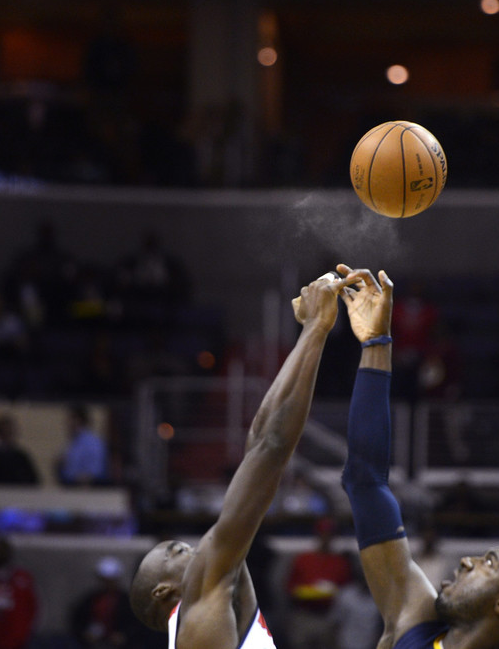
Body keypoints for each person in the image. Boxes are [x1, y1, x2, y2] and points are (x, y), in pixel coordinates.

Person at [332, 264, 499, 649]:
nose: (468, 561)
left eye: (489, 563)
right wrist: (376, 343)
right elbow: (365, 479)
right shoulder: (415, 619)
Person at [128, 270, 355, 648]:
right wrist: (317, 328)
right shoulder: (200, 595)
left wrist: (306, 336)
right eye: (173, 551)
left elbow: (259, 440)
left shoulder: (219, 605)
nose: (190, 546)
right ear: (163, 593)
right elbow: (272, 447)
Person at [285, 518, 352, 649]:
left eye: (330, 535)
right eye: (323, 534)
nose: (326, 538)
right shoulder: (304, 559)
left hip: (329, 616)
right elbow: (290, 588)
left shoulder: (340, 562)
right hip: (305, 614)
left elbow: (347, 593)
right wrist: (302, 592)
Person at [70, 557, 138, 649]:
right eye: (105, 580)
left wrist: (124, 635)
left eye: (111, 580)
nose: (108, 583)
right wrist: (85, 634)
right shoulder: (90, 600)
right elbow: (77, 620)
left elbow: (135, 624)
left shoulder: (127, 602)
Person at [329, 562, 383, 649]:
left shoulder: (380, 599)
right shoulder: (346, 596)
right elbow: (335, 623)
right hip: (346, 644)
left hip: (369, 645)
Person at [0, 415, 40, 486]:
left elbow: (33, 480)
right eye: (3, 432)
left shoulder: (21, 457)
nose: (7, 435)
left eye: (9, 432)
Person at [58, 404, 108, 486]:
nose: (67, 423)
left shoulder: (93, 443)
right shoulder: (72, 443)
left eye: (70, 419)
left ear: (78, 420)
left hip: (86, 490)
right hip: (70, 487)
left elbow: (94, 473)